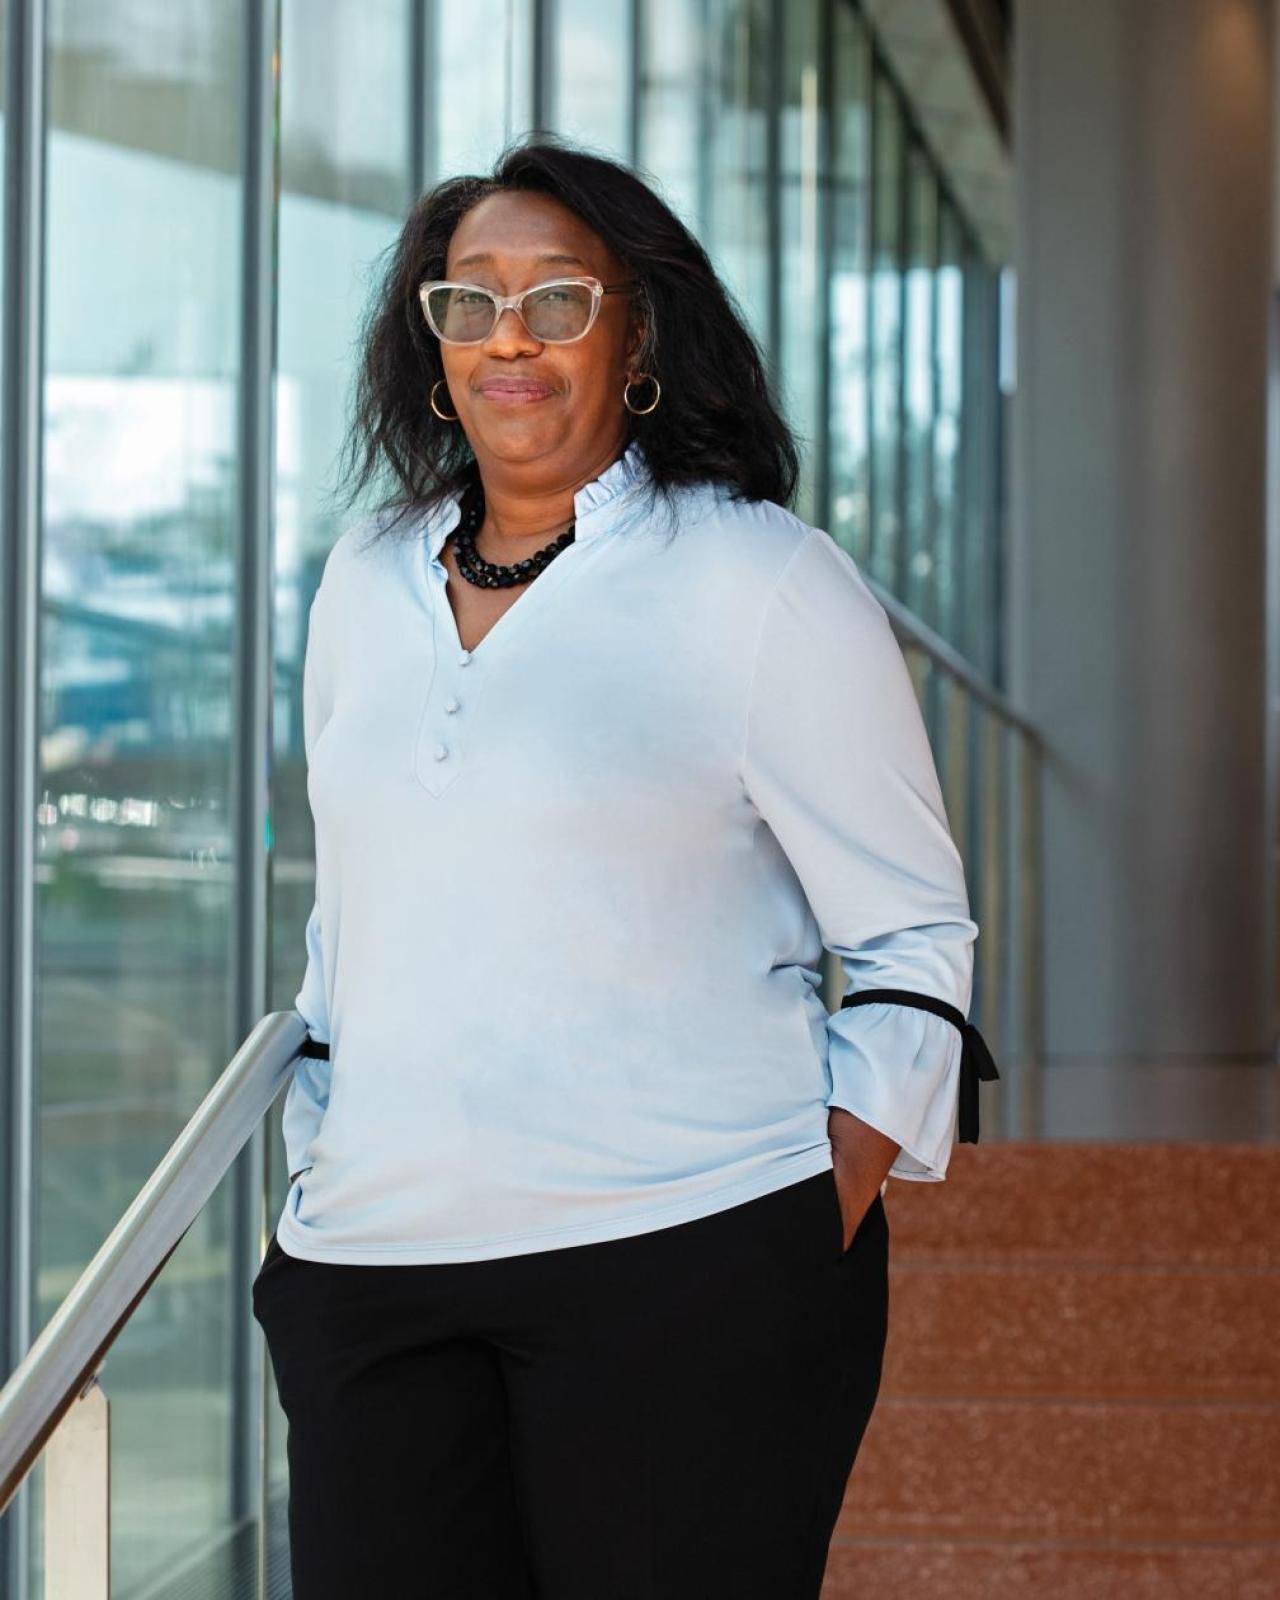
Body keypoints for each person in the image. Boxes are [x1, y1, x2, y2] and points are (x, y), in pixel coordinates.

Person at [251, 134, 994, 1600]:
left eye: (558, 301)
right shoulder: (362, 578)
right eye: (468, 303)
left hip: (687, 1261)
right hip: (374, 1274)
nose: (507, 338)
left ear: (637, 328)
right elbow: (355, 922)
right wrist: (321, 1151)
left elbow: (915, 935)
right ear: (432, 342)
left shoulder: (759, 576)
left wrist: (793, 1213)